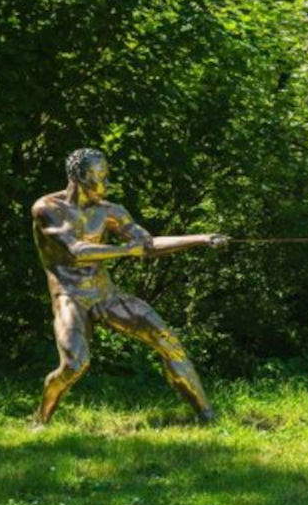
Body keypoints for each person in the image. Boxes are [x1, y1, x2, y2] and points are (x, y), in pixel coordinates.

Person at [31, 148, 227, 425]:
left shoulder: (110, 211)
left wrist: (201, 238)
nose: (107, 183)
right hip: (70, 295)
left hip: (105, 293)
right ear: (79, 177)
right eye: (101, 177)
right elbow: (75, 251)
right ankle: (41, 420)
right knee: (74, 365)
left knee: (167, 339)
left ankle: (207, 416)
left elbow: (147, 245)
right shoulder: (48, 208)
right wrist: (126, 250)